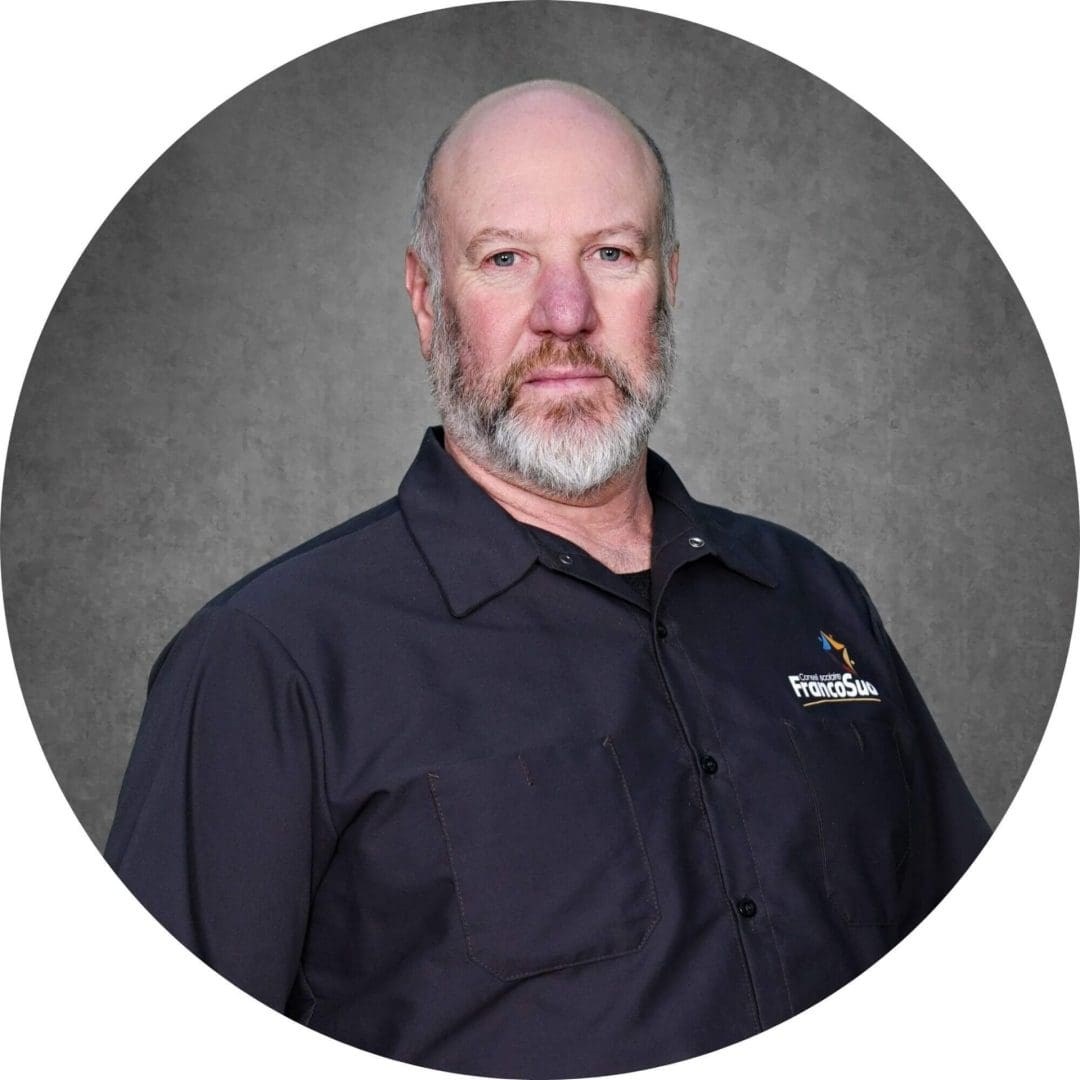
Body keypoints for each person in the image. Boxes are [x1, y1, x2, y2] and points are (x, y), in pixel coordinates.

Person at [105, 80, 990, 1079]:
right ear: (426, 299)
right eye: (505, 259)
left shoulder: (813, 600)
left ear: (667, 282)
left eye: (611, 254)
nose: (565, 315)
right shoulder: (269, 663)